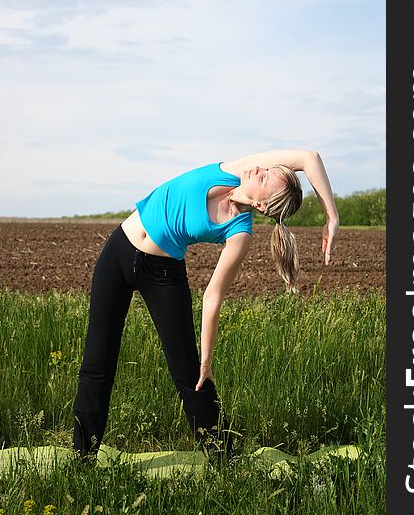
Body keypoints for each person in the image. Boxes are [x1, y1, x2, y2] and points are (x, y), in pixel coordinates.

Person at [72, 148, 338, 461]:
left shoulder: (239, 232)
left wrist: (207, 360)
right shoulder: (233, 170)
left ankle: (225, 460)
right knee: (97, 361)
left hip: (163, 274)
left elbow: (213, 295)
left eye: (265, 176)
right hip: (117, 252)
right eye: (265, 169)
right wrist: (331, 216)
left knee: (191, 375)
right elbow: (310, 158)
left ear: (262, 204)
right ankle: (83, 457)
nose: (258, 169)